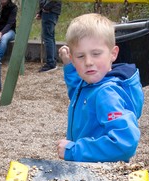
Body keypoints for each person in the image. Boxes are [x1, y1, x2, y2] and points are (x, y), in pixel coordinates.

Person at [57, 13, 143, 162]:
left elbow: (125, 143)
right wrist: (70, 67)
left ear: (113, 54)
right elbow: (79, 95)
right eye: (80, 56)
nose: (88, 62)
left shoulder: (107, 94)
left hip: (100, 174)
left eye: (96, 54)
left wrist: (74, 150)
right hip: (90, 166)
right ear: (72, 58)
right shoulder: (92, 83)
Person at [35, 0, 61, 72]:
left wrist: (45, 8)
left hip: (49, 11)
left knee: (48, 37)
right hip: (50, 11)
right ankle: (52, 61)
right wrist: (41, 11)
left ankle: (51, 63)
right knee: (50, 37)